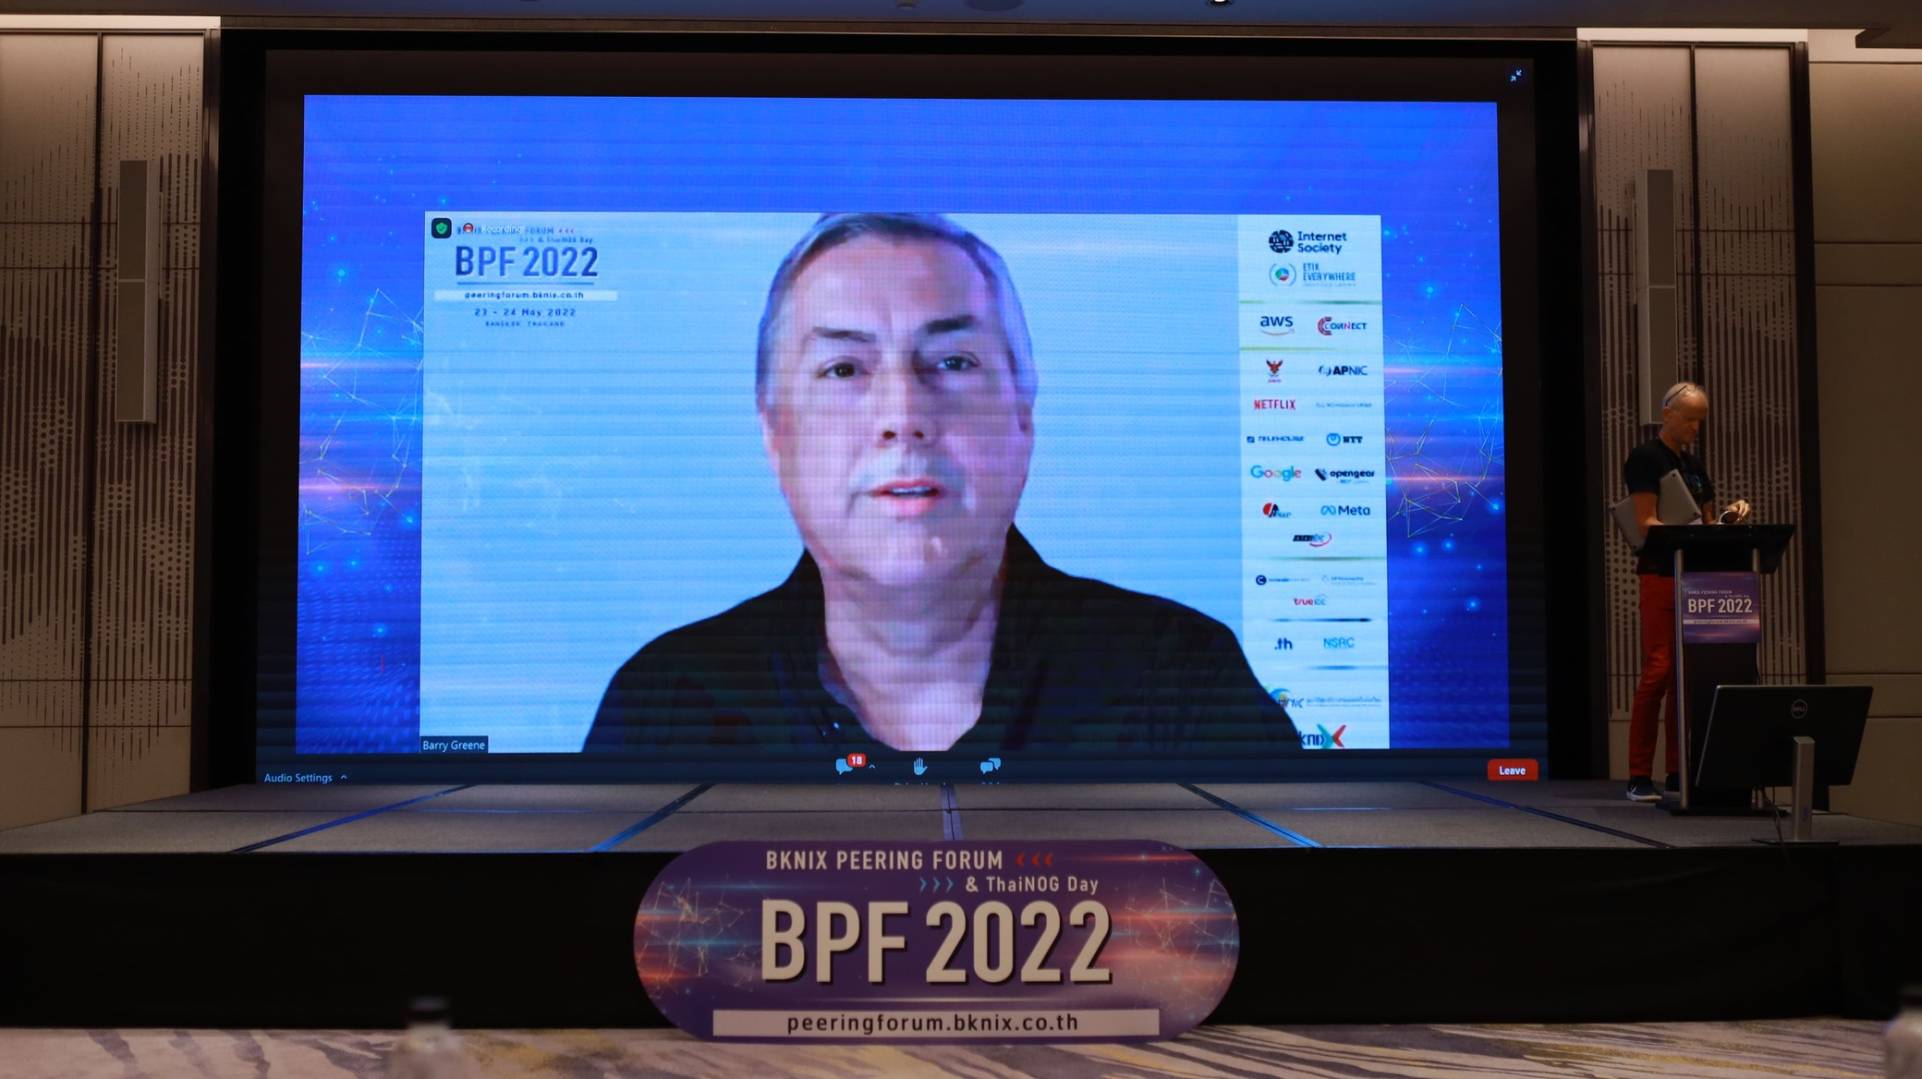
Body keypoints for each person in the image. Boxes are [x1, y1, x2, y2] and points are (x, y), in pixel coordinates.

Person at [585, 212, 1296, 759]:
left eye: (953, 362)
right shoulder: (666, 702)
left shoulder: (1180, 683)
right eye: (843, 370)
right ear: (775, 431)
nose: (903, 416)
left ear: (1023, 413)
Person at [1620, 381, 1750, 802]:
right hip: (1661, 572)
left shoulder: (1694, 465)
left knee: (1685, 676)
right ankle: (1639, 774)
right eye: (1690, 418)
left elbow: (1706, 524)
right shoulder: (1646, 458)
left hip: (1695, 576)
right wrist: (1691, 532)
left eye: (1700, 420)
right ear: (1668, 414)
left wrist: (1728, 518)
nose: (1695, 427)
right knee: (1659, 670)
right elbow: (1646, 523)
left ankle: (1678, 770)